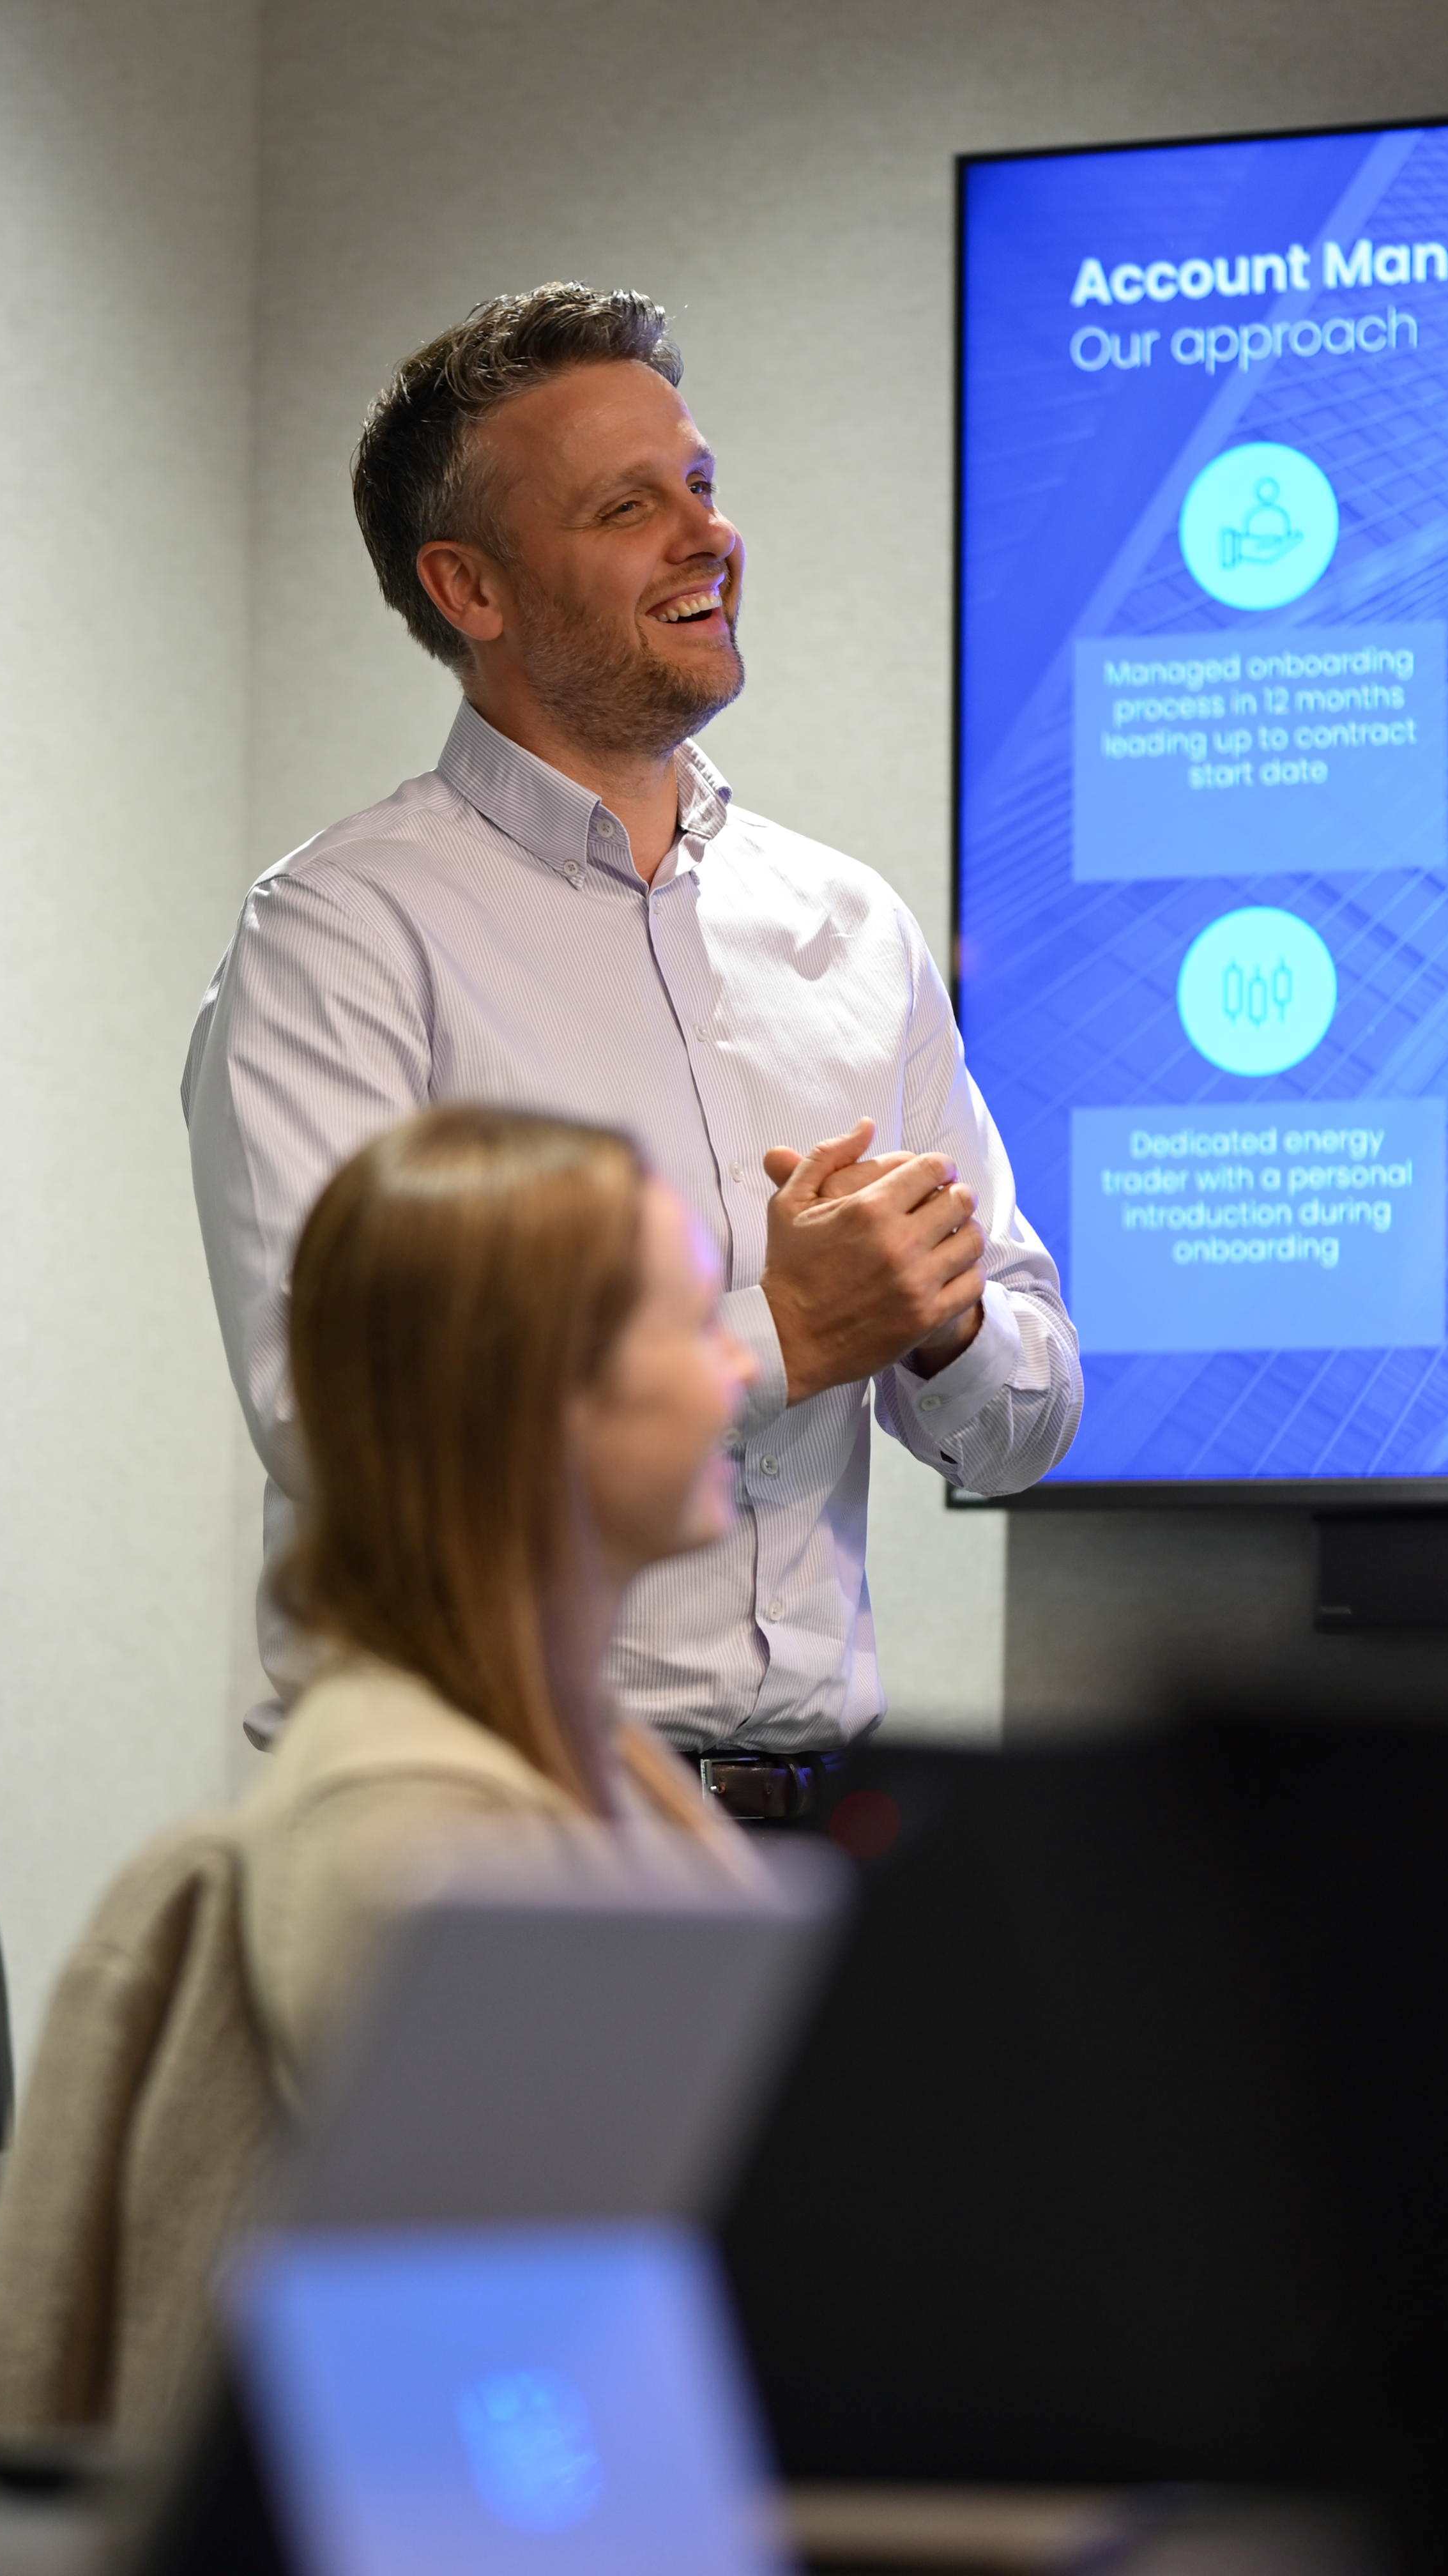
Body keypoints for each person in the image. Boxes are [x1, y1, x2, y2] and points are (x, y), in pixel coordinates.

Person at [184, 282, 1084, 1817]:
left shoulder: (852, 929)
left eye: (705, 487)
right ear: (471, 588)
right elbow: (348, 1439)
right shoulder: (342, 938)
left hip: (820, 1837)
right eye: (628, 507)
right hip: (480, 1835)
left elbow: (1023, 1423)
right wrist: (780, 1332)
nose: (707, 536)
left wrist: (935, 1330)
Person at [0, 1103, 763, 2454]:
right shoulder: (407, 1832)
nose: (740, 1367)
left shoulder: (571, 1767)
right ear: (543, 1396)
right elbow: (558, 2324)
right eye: (696, 1326)